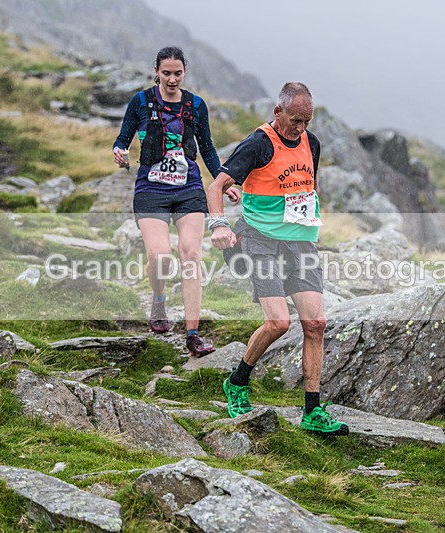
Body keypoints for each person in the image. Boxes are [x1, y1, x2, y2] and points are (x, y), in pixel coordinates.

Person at [207, 82, 349, 435]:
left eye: (306, 120)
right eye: (295, 120)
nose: (300, 128)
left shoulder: (311, 142)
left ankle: (313, 412)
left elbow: (306, 186)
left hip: (300, 244)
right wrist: (220, 225)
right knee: (278, 324)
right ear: (278, 112)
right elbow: (216, 186)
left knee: (315, 324)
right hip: (261, 241)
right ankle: (237, 382)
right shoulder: (258, 143)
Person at [113, 46, 237, 357]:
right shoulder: (141, 101)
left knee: (191, 253)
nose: (171, 79)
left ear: (185, 73)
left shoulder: (196, 105)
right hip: (151, 190)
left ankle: (193, 334)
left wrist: (224, 182)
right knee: (160, 257)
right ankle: (158, 299)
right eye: (166, 73)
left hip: (189, 188)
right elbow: (124, 136)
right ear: (156, 71)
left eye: (177, 73)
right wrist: (119, 150)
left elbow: (207, 148)